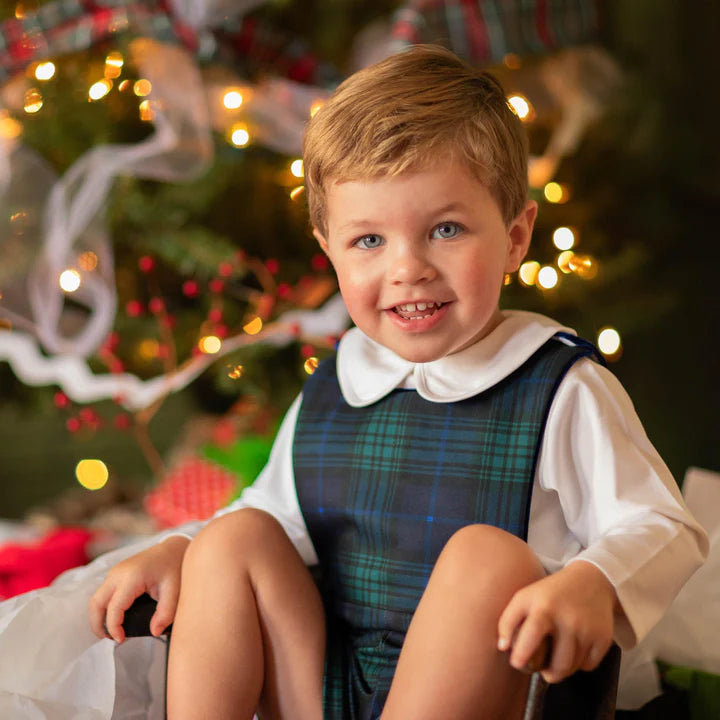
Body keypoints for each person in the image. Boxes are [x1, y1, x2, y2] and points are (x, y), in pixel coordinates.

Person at [88, 44, 707, 719]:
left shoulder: (559, 385)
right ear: (328, 248)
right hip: (330, 689)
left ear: (517, 234)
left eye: (446, 229)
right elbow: (275, 517)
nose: (408, 269)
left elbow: (661, 523)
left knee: (485, 558)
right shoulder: (337, 382)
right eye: (369, 241)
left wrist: (595, 582)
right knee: (234, 540)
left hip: (493, 687)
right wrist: (185, 550)